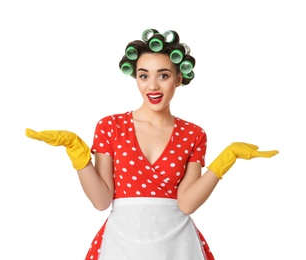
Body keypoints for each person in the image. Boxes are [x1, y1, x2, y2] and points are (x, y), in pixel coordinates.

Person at [25, 28, 279, 260]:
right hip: (120, 244)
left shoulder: (193, 134)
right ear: (135, 77)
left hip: (178, 246)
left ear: (179, 79)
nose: (153, 86)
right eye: (143, 75)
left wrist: (227, 159)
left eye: (164, 75)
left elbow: (187, 203)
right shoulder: (110, 127)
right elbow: (102, 200)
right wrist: (76, 153)